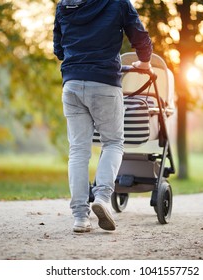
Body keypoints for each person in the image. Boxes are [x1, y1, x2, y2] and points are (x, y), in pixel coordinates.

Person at [53, 0, 153, 233]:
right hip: (105, 83)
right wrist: (145, 62)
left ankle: (80, 217)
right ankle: (102, 197)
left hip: (72, 84)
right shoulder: (118, 2)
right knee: (113, 143)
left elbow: (59, 50)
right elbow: (139, 35)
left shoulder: (63, 5)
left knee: (78, 150)